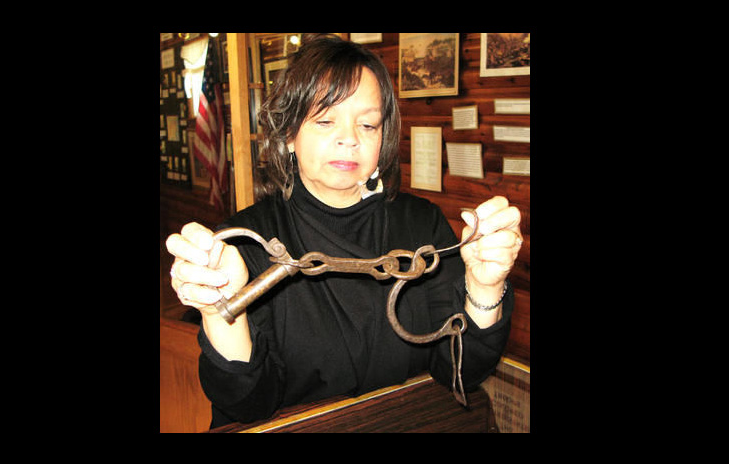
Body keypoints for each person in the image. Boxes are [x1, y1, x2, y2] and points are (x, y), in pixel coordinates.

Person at [166, 34, 523, 428]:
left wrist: (485, 288)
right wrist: (221, 312)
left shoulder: (422, 224)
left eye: (368, 124)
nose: (350, 139)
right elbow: (248, 408)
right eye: (325, 120)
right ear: (288, 134)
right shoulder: (241, 245)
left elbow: (462, 371)